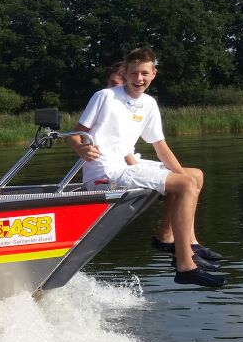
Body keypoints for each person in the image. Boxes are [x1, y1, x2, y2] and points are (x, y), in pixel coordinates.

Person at [70, 48, 225, 287]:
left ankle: (172, 238)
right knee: (185, 184)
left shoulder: (149, 104)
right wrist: (81, 149)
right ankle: (186, 265)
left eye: (144, 73)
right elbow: (77, 134)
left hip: (126, 166)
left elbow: (161, 148)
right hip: (105, 172)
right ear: (126, 73)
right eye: (133, 73)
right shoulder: (105, 97)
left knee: (195, 176)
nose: (138, 79)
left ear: (154, 74)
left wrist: (186, 179)